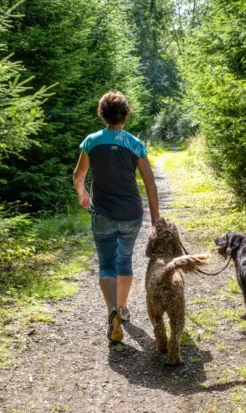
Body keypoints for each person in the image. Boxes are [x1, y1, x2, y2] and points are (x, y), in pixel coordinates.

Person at [73, 91, 160, 342]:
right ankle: (122, 308)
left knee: (107, 264)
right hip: (131, 214)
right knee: (125, 261)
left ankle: (111, 311)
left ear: (102, 114)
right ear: (125, 114)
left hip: (102, 214)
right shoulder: (135, 144)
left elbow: (78, 176)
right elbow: (150, 183)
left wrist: (82, 194)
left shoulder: (91, 141)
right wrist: (156, 219)